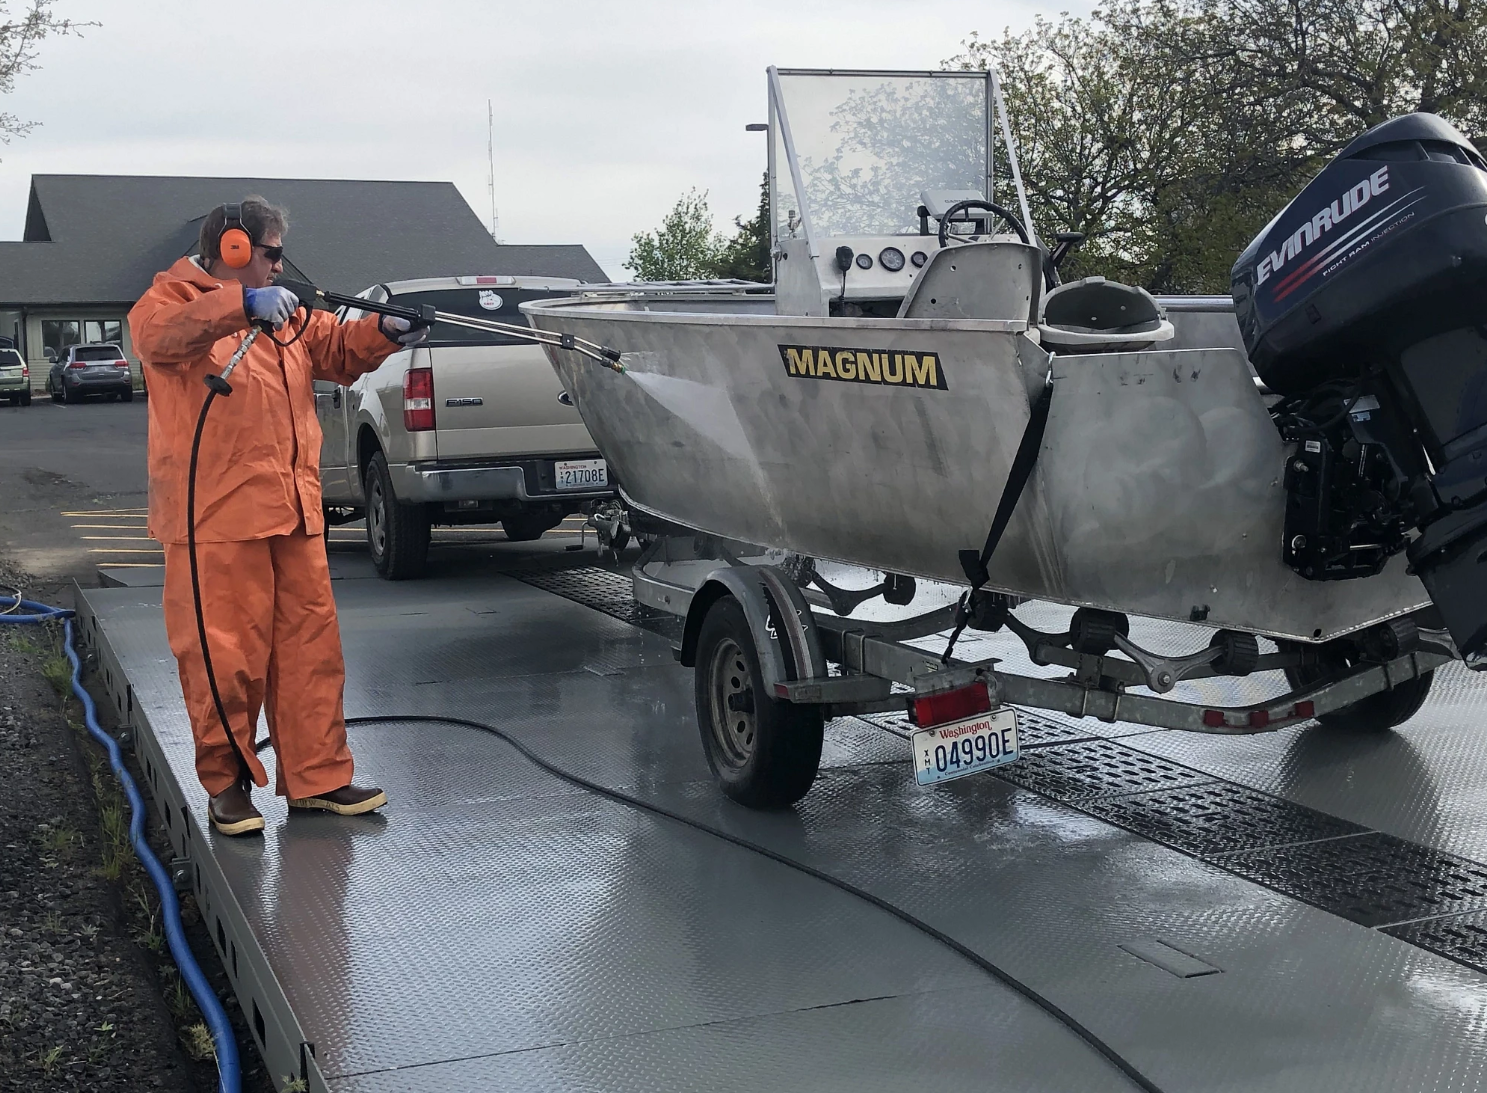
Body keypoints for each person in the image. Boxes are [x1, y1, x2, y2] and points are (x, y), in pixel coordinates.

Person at [128, 196, 427, 836]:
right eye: (269, 252)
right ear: (232, 248)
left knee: (310, 653)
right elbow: (158, 339)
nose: (278, 264)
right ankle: (227, 785)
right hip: (214, 519)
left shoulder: (283, 317)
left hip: (292, 515)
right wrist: (239, 306)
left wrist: (386, 332)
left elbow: (338, 347)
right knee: (221, 657)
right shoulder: (170, 301)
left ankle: (318, 777)